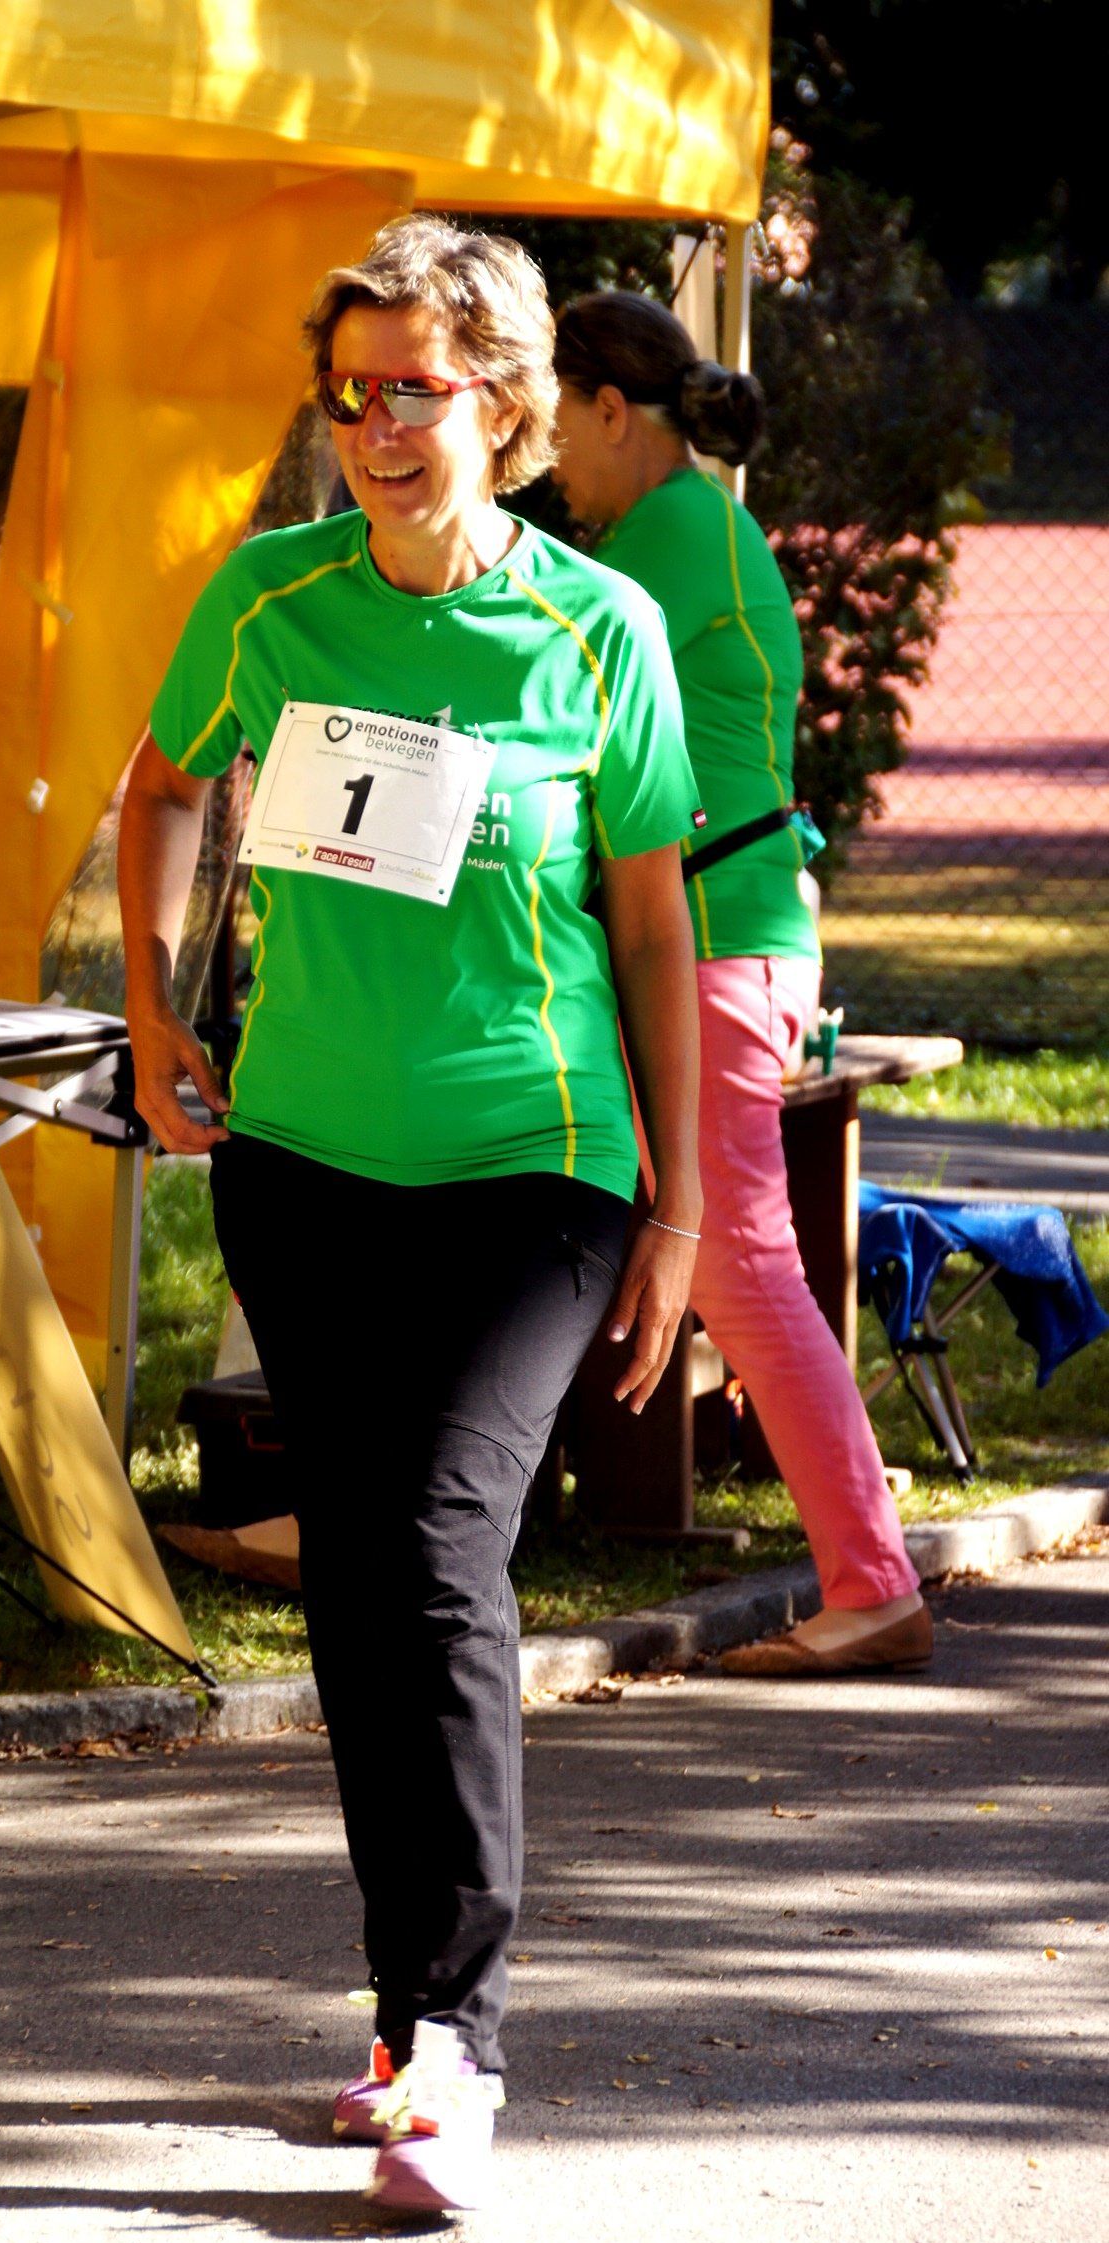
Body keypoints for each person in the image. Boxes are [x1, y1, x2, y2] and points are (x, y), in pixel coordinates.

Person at [119, 216, 703, 2215]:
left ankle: (458, 2041)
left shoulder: (596, 634)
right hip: (301, 1167)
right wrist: (154, 1005)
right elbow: (158, 788)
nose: (375, 426)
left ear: (506, 403)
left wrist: (684, 1209)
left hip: (535, 1169)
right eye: (349, 390)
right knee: (363, 1584)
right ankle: (405, 2025)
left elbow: (653, 919)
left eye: (416, 392)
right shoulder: (269, 599)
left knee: (440, 1552)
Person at [551, 290, 930, 1677]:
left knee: (742, 1266)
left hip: (713, 940)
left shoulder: (667, 535)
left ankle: (873, 1583)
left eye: (556, 420)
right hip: (732, 930)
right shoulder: (696, 523)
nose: (549, 456)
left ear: (611, 409)